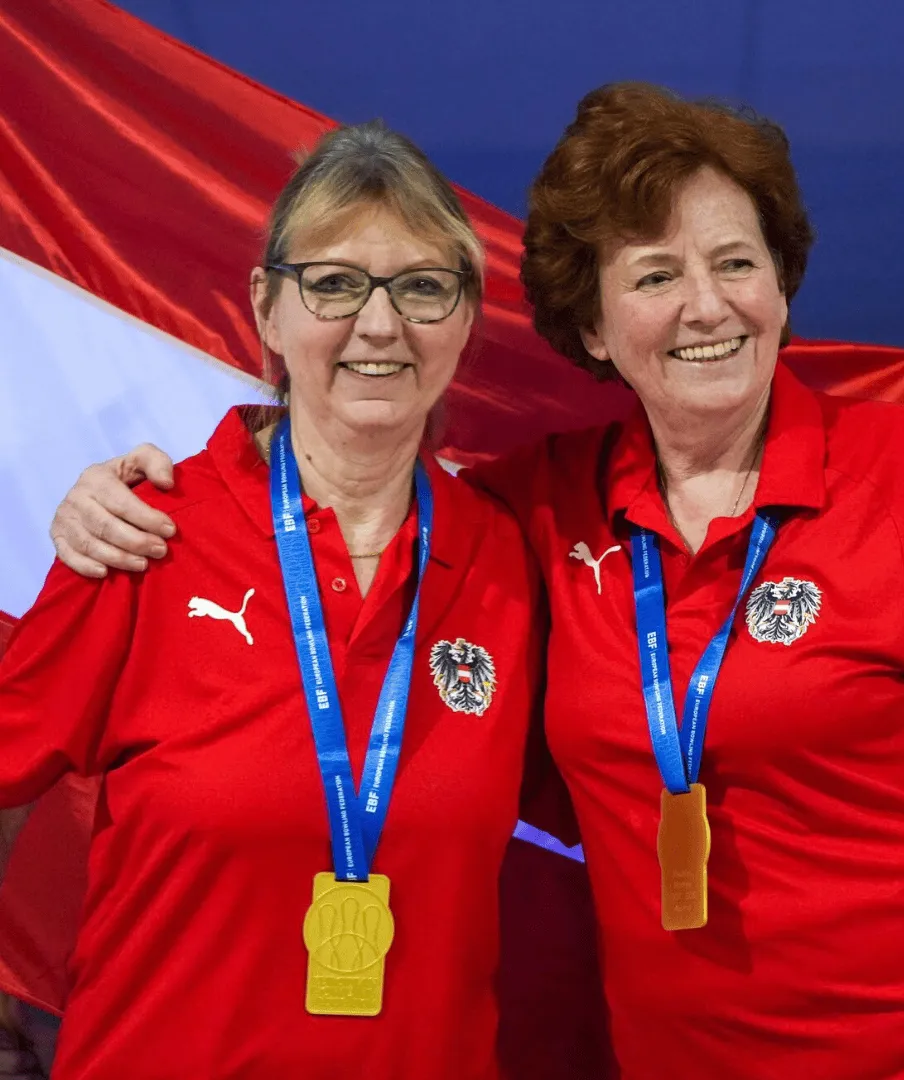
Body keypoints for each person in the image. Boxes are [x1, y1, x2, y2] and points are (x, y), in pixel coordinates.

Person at [48, 83, 904, 1079]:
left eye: (735, 262)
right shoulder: (537, 515)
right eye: (656, 275)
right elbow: (351, 484)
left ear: (781, 287)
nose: (707, 304)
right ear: (593, 328)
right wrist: (106, 495)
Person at [0, 121, 555, 1079]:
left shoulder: (512, 562)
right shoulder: (146, 534)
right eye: (334, 283)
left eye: (422, 286)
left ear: (465, 318)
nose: (379, 325)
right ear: (266, 305)